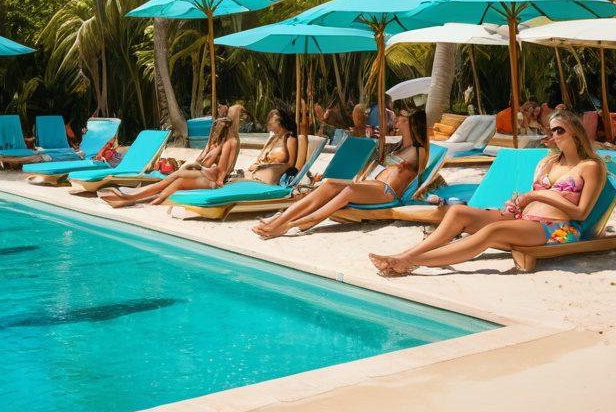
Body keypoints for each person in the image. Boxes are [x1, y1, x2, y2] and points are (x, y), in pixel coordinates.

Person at [370, 110, 606, 277]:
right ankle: (406, 254)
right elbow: (530, 196)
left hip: (555, 229)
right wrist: (518, 202)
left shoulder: (590, 167)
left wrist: (534, 196)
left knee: (491, 231)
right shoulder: (547, 162)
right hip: (523, 219)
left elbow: (581, 212)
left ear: (575, 132)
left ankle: (410, 262)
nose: (553, 135)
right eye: (551, 131)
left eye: (559, 130)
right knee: (457, 213)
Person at [253, 109, 428, 239]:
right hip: (373, 184)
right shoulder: (396, 145)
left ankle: (289, 225)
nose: (396, 119)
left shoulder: (419, 151)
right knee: (329, 185)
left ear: (411, 123)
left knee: (348, 191)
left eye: (402, 118)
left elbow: (422, 178)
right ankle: (279, 220)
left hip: (388, 192)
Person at [99, 105, 243, 207]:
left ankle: (132, 197)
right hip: (208, 175)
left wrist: (211, 173)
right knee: (177, 178)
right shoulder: (230, 141)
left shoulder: (230, 143)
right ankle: (133, 197)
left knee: (177, 178)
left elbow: (222, 171)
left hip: (210, 179)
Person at [243, 107, 298, 184]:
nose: (269, 128)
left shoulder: (290, 139)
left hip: (273, 174)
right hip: (261, 171)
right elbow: (260, 158)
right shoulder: (272, 138)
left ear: (279, 122)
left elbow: (291, 164)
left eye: (271, 124)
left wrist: (266, 167)